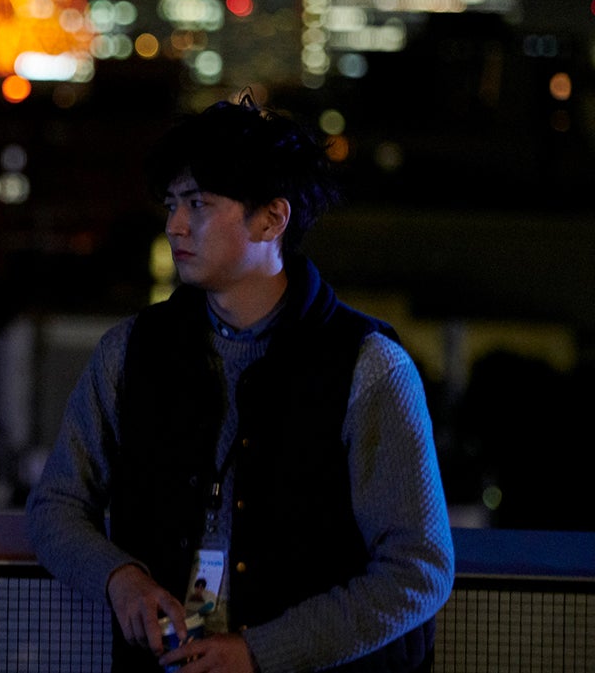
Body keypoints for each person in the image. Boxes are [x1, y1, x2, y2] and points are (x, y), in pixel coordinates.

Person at [25, 96, 453, 672]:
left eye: (198, 204)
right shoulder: (131, 351)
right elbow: (56, 505)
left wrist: (261, 653)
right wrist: (119, 577)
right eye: (172, 203)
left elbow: (418, 569)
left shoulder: (367, 365)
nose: (175, 225)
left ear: (272, 219)